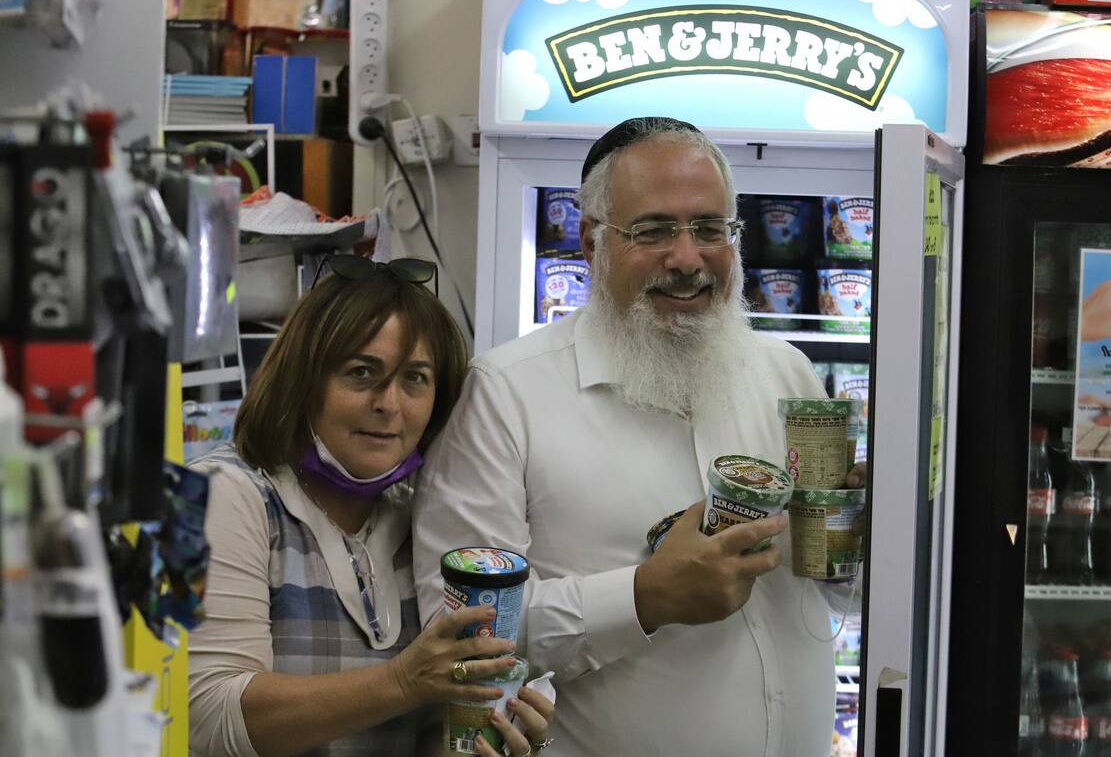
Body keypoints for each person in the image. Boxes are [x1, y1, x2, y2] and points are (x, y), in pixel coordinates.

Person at [413, 117, 862, 757]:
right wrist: (644, 596)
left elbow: (838, 584)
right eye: (652, 231)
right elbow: (457, 636)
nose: (687, 258)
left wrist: (860, 537)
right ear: (592, 243)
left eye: (710, 229)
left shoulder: (785, 369)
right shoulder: (507, 391)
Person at [187, 255, 555, 757]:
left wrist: (486, 739)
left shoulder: (417, 518)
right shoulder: (225, 494)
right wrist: (403, 682)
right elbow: (207, 717)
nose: (390, 404)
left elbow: (421, 734)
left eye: (416, 378)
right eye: (362, 372)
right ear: (301, 379)